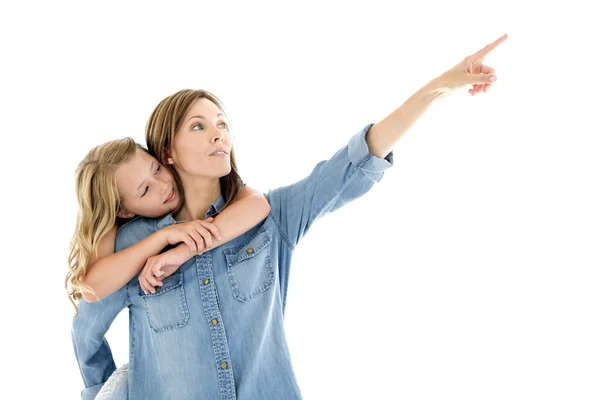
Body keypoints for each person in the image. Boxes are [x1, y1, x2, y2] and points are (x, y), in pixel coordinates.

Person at [72, 34, 508, 399]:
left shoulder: (271, 218)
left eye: (222, 122)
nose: (219, 132)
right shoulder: (134, 247)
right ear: (167, 151)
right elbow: (87, 333)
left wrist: (437, 88)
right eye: (198, 126)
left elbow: (354, 161)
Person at [67, 139, 271, 398]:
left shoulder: (209, 189)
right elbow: (88, 315)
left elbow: (259, 203)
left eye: (157, 169)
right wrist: (106, 390)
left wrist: (182, 247)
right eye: (145, 191)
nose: (164, 186)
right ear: (124, 212)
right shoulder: (124, 242)